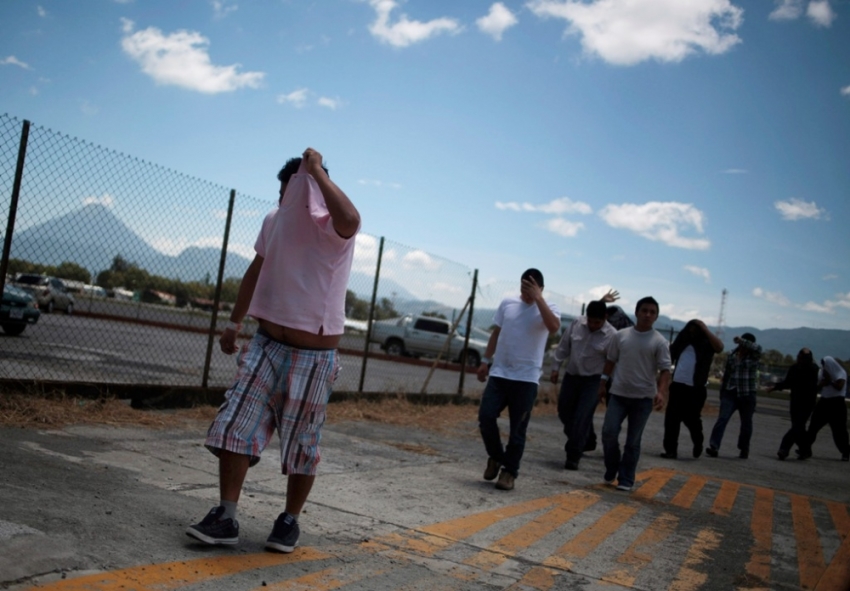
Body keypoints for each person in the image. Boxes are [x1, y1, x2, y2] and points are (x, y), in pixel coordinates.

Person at [185, 148, 361, 552]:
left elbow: (351, 218)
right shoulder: (274, 220)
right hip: (266, 344)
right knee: (234, 423)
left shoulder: (333, 228)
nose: (294, 202)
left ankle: (288, 521)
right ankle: (226, 516)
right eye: (288, 193)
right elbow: (255, 270)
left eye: (304, 192)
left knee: (302, 442)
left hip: (314, 358)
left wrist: (315, 170)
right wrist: (234, 322)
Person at [477, 268, 561, 491]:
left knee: (518, 429)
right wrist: (486, 360)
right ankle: (496, 457)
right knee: (486, 417)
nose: (525, 293)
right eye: (523, 288)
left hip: (526, 378)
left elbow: (553, 327)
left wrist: (538, 299)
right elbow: (496, 333)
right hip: (500, 373)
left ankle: (509, 472)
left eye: (531, 288)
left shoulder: (549, 307)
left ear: (540, 288)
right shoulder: (508, 303)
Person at [597, 296, 672, 492]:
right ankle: (612, 466)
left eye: (652, 312)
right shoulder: (620, 336)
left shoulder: (660, 342)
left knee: (633, 441)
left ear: (656, 316)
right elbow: (610, 361)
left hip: (643, 398)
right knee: (608, 433)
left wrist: (662, 392)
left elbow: (665, 370)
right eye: (644, 310)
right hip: (619, 394)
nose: (648, 314)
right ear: (637, 312)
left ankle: (626, 479)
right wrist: (602, 383)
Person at [549, 298, 617, 471]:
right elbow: (564, 346)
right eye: (590, 321)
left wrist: (606, 385)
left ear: (605, 318)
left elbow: (612, 362)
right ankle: (586, 438)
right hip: (572, 375)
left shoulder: (612, 335)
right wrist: (556, 367)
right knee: (564, 411)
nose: (593, 325)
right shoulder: (577, 323)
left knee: (582, 416)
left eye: (597, 322)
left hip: (594, 380)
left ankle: (573, 455)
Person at [660, 319, 723, 459]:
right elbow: (669, 355)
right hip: (677, 385)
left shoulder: (706, 344)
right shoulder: (682, 341)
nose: (693, 331)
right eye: (691, 328)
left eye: (697, 328)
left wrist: (705, 329)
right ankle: (670, 450)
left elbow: (719, 347)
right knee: (671, 420)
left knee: (692, 419)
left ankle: (698, 442)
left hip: (696, 389)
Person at [706, 333, 762, 459]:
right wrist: (723, 392)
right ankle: (714, 446)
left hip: (747, 393)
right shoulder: (732, 354)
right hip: (730, 392)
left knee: (746, 423)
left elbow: (757, 348)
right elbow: (727, 374)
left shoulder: (754, 356)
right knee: (722, 419)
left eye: (745, 343)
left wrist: (741, 340)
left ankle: (744, 448)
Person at [766, 348, 819, 460]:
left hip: (807, 403)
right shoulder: (795, 368)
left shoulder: (813, 369)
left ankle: (784, 448)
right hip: (795, 402)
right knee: (798, 427)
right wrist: (775, 387)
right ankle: (805, 450)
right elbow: (788, 382)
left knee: (797, 426)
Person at [804, 356, 849, 461]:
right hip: (824, 402)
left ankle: (846, 452)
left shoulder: (840, 373)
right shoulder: (822, 372)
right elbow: (819, 385)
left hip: (837, 403)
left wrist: (830, 381)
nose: (824, 366)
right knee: (813, 428)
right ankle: (805, 449)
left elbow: (840, 386)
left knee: (839, 431)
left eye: (825, 364)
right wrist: (823, 382)